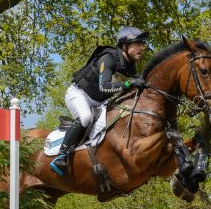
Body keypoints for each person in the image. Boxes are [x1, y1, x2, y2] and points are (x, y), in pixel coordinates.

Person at [50, 26, 149, 176]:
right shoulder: (108, 57)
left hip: (98, 102)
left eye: (143, 44)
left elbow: (139, 82)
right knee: (85, 117)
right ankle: (61, 155)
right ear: (125, 45)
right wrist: (129, 84)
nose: (141, 48)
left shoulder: (128, 64)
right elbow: (104, 86)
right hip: (79, 94)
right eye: (137, 44)